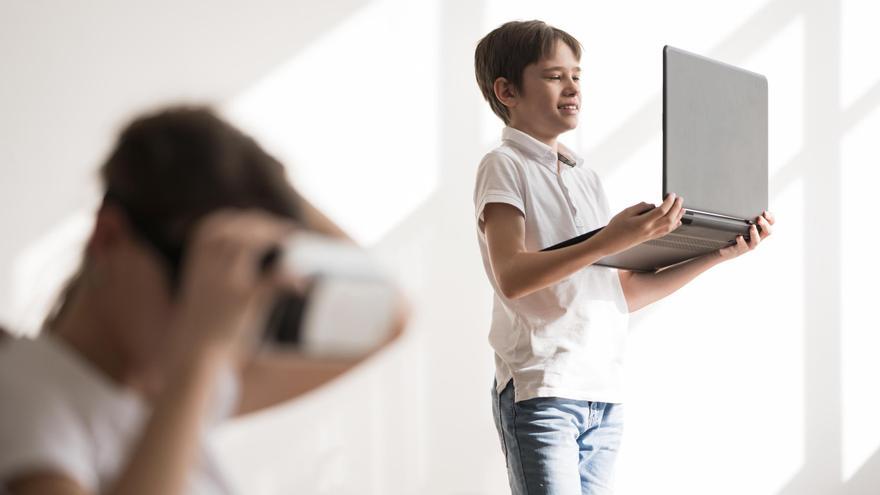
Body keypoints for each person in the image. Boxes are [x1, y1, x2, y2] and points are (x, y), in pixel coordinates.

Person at [0, 106, 405, 494]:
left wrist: (265, 184)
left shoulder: (167, 389)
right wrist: (200, 353)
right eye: (198, 294)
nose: (217, 320)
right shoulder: (26, 389)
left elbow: (386, 316)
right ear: (108, 239)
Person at [473, 21, 774, 494]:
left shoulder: (584, 177)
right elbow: (511, 275)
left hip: (602, 395)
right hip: (543, 390)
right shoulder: (504, 165)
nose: (572, 86)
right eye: (554, 76)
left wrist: (716, 254)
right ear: (507, 90)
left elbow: (623, 292)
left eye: (577, 75)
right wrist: (608, 239)